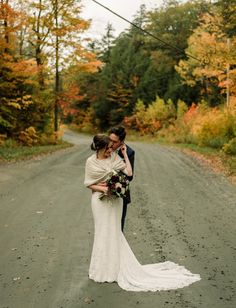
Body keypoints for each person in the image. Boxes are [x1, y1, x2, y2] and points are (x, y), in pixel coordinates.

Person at [84, 134, 201, 291]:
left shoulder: (113, 158)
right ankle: (101, 269)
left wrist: (124, 154)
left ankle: (114, 268)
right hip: (99, 201)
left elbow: (129, 173)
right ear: (99, 148)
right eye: (107, 149)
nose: (110, 151)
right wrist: (104, 188)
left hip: (115, 201)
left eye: (111, 148)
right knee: (102, 232)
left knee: (114, 231)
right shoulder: (90, 162)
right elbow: (88, 183)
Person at [108, 126, 135, 231]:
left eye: (114, 141)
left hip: (120, 194)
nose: (111, 143)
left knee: (118, 228)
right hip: (104, 194)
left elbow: (129, 176)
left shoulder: (129, 152)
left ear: (121, 141)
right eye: (109, 139)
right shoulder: (104, 147)